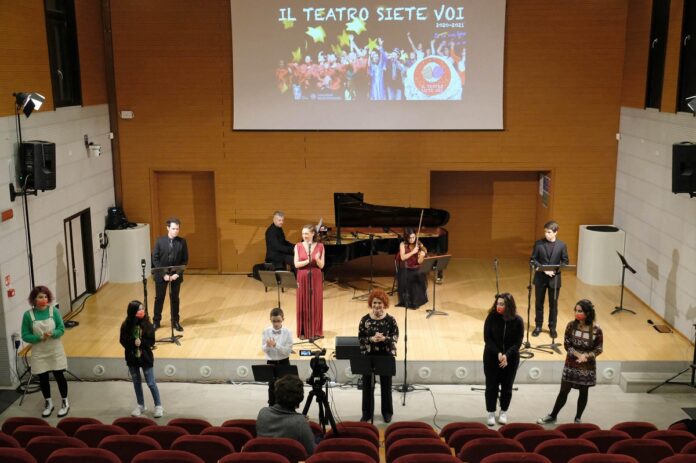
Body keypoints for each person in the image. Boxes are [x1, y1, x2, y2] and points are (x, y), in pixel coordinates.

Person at [538, 299, 604, 424]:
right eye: (576, 310)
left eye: (580, 311)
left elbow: (599, 348)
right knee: (564, 390)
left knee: (584, 391)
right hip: (571, 363)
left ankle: (578, 418)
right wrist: (578, 355)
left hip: (587, 366)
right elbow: (567, 344)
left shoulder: (596, 329)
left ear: (588, 313)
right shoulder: (571, 326)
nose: (577, 313)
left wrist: (587, 356)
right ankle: (553, 415)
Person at [21, 286, 70, 417]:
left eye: (46, 297)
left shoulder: (54, 311)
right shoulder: (28, 315)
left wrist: (53, 333)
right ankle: (48, 403)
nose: (44, 299)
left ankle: (65, 402)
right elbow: (25, 335)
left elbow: (61, 329)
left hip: (55, 350)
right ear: (34, 299)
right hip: (39, 351)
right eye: (40, 297)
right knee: (43, 378)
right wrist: (38, 338)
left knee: (59, 376)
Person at [483, 293, 524, 426]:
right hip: (492, 356)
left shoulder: (518, 321)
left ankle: (503, 411)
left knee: (507, 387)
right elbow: (487, 338)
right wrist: (498, 353)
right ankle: (491, 412)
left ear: (509, 306)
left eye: (502, 304)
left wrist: (507, 355)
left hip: (510, 359)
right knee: (491, 386)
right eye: (497, 303)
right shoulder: (491, 317)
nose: (498, 306)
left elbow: (517, 343)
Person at [358, 289, 399, 423]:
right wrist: (371, 339)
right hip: (369, 355)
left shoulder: (390, 320)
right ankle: (367, 413)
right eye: (374, 302)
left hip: (385, 355)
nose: (377, 305)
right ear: (371, 303)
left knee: (386, 386)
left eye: (379, 303)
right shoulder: (365, 319)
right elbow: (360, 338)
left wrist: (385, 339)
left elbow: (395, 337)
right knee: (367, 386)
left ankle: (387, 412)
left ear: (384, 304)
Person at [120, 300, 163, 418]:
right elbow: (122, 341)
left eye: (142, 309)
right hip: (132, 357)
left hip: (145, 357)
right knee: (136, 383)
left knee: (151, 382)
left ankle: (158, 405)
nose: (142, 311)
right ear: (133, 311)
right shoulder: (126, 325)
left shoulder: (147, 324)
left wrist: (142, 342)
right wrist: (133, 343)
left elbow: (151, 341)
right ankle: (141, 405)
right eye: (139, 309)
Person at [256, 374, 316, 455]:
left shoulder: (263, 413)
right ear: (300, 398)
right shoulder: (300, 422)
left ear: (276, 393)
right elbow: (312, 451)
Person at [531, 220, 569, 338]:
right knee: (539, 303)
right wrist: (544, 270)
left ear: (556, 232)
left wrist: (555, 270)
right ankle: (538, 326)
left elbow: (565, 261)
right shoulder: (538, 244)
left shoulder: (562, 245)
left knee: (553, 305)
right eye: (545, 232)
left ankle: (552, 327)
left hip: (554, 279)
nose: (546, 234)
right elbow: (533, 260)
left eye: (549, 232)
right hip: (540, 278)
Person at [152, 217, 189, 331]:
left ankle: (175, 321)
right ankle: (156, 322)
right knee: (159, 298)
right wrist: (164, 274)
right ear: (168, 228)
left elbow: (185, 260)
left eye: (177, 229)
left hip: (175, 276)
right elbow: (155, 259)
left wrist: (177, 274)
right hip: (161, 275)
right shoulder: (160, 241)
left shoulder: (182, 242)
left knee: (175, 299)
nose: (176, 231)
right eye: (173, 229)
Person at [294, 224, 324, 340]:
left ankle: (315, 331)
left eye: (306, 233)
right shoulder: (298, 246)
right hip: (302, 277)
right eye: (303, 233)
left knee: (315, 303)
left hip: (315, 277)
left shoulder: (320, 246)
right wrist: (309, 260)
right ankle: (303, 331)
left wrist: (317, 259)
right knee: (303, 301)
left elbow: (321, 266)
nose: (304, 236)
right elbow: (296, 264)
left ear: (313, 234)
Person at [262, 307, 293, 406]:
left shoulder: (288, 332)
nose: (276, 324)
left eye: (278, 321)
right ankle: (271, 407)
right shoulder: (266, 331)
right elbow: (264, 349)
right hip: (271, 363)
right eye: (273, 321)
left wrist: (275, 345)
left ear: (283, 319)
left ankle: (285, 408)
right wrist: (267, 345)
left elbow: (287, 351)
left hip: (284, 362)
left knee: (285, 387)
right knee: (271, 387)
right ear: (270, 320)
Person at [396, 227, 428, 309]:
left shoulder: (419, 244)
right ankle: (409, 301)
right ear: (406, 237)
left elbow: (419, 262)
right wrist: (413, 252)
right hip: (406, 269)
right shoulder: (402, 244)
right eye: (409, 238)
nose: (412, 239)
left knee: (418, 274)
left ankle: (417, 299)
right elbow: (403, 257)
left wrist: (422, 256)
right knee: (411, 276)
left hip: (416, 268)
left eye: (413, 237)